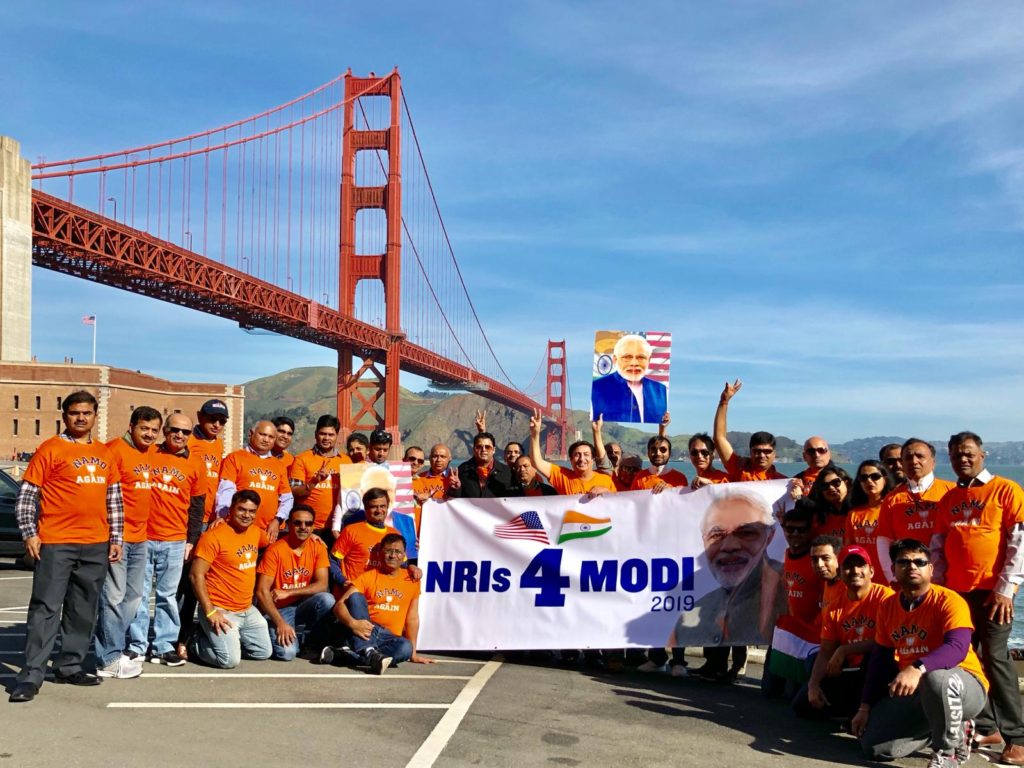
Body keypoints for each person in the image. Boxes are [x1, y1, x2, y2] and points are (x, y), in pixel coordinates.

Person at [9, 391, 123, 703]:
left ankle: (69, 665)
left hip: (95, 543)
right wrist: (29, 533)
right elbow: (28, 494)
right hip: (56, 541)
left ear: (95, 416)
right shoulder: (50, 449)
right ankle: (31, 674)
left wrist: (116, 538)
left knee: (83, 608)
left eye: (86, 413)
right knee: (46, 607)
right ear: (65, 416)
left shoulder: (104, 453)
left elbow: (113, 499)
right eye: (75, 413)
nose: (81, 418)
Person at [853, 538, 988, 768]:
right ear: (893, 569)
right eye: (903, 562)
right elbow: (880, 661)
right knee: (875, 746)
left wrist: (917, 667)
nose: (912, 566)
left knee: (937, 678)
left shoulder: (950, 601)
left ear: (931, 568)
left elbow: (957, 648)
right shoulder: (887, 607)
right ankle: (951, 729)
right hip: (918, 692)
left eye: (919, 561)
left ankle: (947, 754)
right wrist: (864, 707)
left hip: (964, 686)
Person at [931, 431, 1024, 763]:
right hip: (957, 593)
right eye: (956, 455)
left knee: (997, 659)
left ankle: (1017, 736)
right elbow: (938, 550)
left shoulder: (1007, 490)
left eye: (968, 453)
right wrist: (937, 592)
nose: (962, 459)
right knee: (967, 658)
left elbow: (1019, 543)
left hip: (993, 592)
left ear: (982, 455)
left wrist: (1006, 588)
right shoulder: (948, 500)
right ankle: (987, 724)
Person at [128, 412, 205, 667]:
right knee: (138, 594)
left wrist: (191, 540)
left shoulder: (196, 464)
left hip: (175, 540)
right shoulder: (148, 453)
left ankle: (163, 646)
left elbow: (197, 507)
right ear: (165, 431)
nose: (180, 436)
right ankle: (137, 645)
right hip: (143, 537)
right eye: (175, 430)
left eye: (186, 432)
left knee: (168, 596)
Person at [94, 406, 162, 680]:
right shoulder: (113, 451)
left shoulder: (149, 454)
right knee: (113, 598)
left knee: (134, 599)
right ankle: (107, 658)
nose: (149, 434)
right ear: (131, 426)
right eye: (144, 428)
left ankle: (114, 649)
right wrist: (112, 536)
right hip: (117, 539)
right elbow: (101, 494)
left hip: (141, 537)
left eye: (154, 430)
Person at [669, 490, 785, 648]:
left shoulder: (791, 592)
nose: (730, 546)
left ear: (769, 537)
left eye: (746, 533)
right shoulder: (692, 615)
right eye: (716, 535)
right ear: (704, 541)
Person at [794, 544, 893, 720]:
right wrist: (813, 685)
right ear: (840, 573)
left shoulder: (887, 599)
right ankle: (849, 711)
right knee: (802, 706)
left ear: (871, 571)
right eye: (848, 566)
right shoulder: (833, 608)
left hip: (878, 671)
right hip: (848, 669)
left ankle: (867, 711)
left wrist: (845, 649)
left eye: (860, 565)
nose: (855, 570)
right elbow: (825, 651)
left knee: (876, 657)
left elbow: (887, 643)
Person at [319, 533, 433, 673]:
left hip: (389, 638)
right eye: (388, 551)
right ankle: (368, 650)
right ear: (380, 553)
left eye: (397, 552)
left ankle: (349, 655)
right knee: (355, 597)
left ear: (404, 556)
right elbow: (339, 605)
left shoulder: (412, 580)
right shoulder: (367, 577)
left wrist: (413, 654)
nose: (392, 555)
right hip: (367, 630)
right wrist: (352, 623)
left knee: (406, 648)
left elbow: (413, 618)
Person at [188, 490, 272, 668]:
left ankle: (226, 639)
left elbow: (277, 542)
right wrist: (210, 611)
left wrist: (311, 537)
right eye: (242, 509)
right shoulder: (213, 536)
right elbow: (196, 575)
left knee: (263, 652)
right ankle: (195, 641)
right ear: (231, 508)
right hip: (220, 610)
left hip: (246, 609)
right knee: (228, 661)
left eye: (252, 511)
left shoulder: (256, 533)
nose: (247, 515)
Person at [178, 398, 229, 657]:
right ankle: (177, 638)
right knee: (183, 584)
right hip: (187, 521)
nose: (217, 424)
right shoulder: (188, 441)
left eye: (222, 421)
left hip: (211, 522)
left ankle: (189, 633)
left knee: (201, 581)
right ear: (200, 416)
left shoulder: (218, 445)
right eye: (212, 419)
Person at [255, 504, 335, 661]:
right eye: (298, 523)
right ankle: (277, 630)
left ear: (313, 526)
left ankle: (311, 643)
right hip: (277, 610)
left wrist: (289, 592)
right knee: (287, 653)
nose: (303, 527)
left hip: (300, 606)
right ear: (289, 525)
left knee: (327, 599)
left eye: (308, 524)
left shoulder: (318, 547)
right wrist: (280, 623)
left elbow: (322, 584)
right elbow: (261, 592)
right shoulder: (275, 551)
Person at [876, 439, 955, 582]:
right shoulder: (892, 499)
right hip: (910, 576)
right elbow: (884, 542)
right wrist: (893, 578)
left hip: (949, 576)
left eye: (920, 456)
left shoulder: (951, 492)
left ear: (933, 462)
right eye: (908, 457)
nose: (914, 461)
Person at [216, 420, 294, 547]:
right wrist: (221, 516)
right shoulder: (235, 458)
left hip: (268, 533)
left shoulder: (279, 466)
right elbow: (226, 490)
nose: (266, 439)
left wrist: (278, 520)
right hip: (239, 530)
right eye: (262, 434)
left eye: (270, 437)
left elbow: (287, 498)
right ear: (251, 433)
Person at [713, 380, 787, 482]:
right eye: (757, 451)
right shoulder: (739, 468)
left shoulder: (783, 482)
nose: (761, 455)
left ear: (774, 454)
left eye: (767, 451)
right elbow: (719, 438)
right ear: (750, 452)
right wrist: (724, 402)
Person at [528, 410, 615, 497]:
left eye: (586, 454)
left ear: (593, 459)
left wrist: (608, 493)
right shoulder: (562, 477)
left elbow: (619, 504)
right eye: (577, 455)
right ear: (571, 459)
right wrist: (535, 434)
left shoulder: (606, 480)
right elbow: (537, 462)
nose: (582, 459)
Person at [290, 414, 351, 533]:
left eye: (331, 435)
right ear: (315, 434)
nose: (326, 438)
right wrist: (315, 480)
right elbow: (295, 491)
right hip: (309, 527)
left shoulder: (346, 461)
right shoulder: (301, 459)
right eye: (323, 434)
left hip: (338, 527)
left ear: (337, 436)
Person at [330, 488, 401, 590]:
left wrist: (413, 568)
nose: (379, 510)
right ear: (366, 508)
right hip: (354, 592)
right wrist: (343, 581)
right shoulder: (351, 530)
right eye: (373, 507)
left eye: (382, 506)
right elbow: (333, 561)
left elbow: (402, 565)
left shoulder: (395, 533)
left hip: (382, 594)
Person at [590, 333, 667, 424]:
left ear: (649, 360)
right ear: (615, 359)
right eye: (627, 357)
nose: (634, 363)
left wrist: (663, 426)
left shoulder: (661, 390)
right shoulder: (596, 388)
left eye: (641, 357)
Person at [846, 460, 894, 582]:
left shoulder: (893, 509)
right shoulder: (854, 514)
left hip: (891, 578)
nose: (869, 481)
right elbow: (849, 549)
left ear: (885, 478)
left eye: (875, 476)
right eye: (864, 478)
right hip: (864, 579)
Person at [448, 431, 515, 498]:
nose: (483, 450)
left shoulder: (507, 472)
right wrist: (455, 489)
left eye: (487, 447)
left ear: (494, 450)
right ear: (474, 450)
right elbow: (455, 500)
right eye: (479, 447)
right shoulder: (462, 470)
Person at [808, 467, 853, 541]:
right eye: (825, 486)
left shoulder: (858, 513)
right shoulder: (819, 519)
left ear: (846, 482)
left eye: (836, 482)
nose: (831, 488)